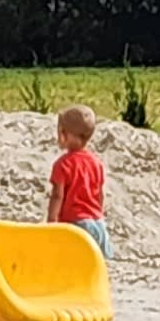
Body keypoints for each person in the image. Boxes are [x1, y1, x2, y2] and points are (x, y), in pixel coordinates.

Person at [48, 104, 114, 259]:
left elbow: (58, 195)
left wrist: (51, 221)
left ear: (68, 135)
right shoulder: (95, 163)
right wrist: (99, 214)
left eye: (61, 131)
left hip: (76, 225)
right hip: (98, 224)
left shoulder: (63, 165)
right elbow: (99, 193)